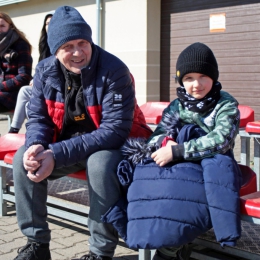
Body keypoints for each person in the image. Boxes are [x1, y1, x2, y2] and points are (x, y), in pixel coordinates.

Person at [12, 5, 152, 260]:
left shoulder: (114, 71)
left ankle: (100, 252)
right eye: (68, 47)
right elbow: (38, 120)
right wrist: (36, 145)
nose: (78, 52)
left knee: (98, 164)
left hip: (118, 145)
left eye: (82, 43)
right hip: (72, 145)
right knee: (24, 158)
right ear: (55, 50)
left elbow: (113, 132)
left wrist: (55, 152)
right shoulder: (44, 70)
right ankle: (37, 244)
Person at [147, 42, 241, 260]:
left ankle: (170, 250)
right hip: (182, 164)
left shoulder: (225, 103)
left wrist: (178, 151)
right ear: (181, 80)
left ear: (214, 78)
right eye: (188, 78)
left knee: (190, 195)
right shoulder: (177, 105)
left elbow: (222, 140)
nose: (196, 84)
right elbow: (158, 134)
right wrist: (166, 142)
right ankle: (172, 244)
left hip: (213, 162)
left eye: (203, 76)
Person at [9, 11, 54, 134]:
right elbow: (41, 69)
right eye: (47, 23)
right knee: (26, 96)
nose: (49, 26)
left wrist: (39, 80)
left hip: (58, 88)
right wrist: (35, 79)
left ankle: (22, 131)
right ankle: (16, 131)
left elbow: (56, 71)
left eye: (52, 23)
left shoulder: (62, 45)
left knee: (27, 97)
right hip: (44, 87)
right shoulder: (45, 46)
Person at [0, 12, 32, 113]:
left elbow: (24, 76)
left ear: (10, 26)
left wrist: (1, 86)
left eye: (2, 26)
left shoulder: (20, 45)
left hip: (14, 93)